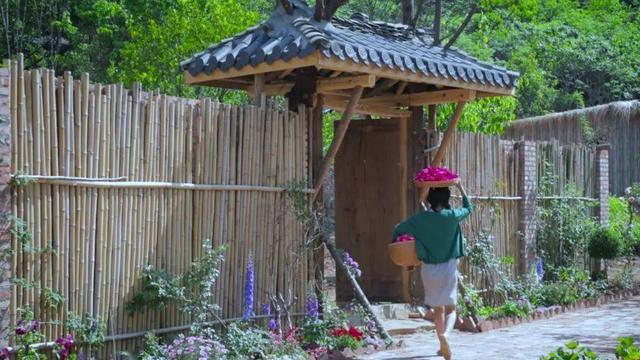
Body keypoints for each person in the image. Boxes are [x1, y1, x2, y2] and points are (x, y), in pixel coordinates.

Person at [392, 183, 472, 360]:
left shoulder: (420, 219)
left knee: (438, 310)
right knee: (451, 310)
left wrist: (405, 254)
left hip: (428, 270)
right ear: (447, 199)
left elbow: (398, 230)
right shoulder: (452, 216)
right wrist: (459, 186)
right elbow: (468, 208)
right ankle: (447, 336)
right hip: (449, 268)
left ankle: (441, 345)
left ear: (429, 199)